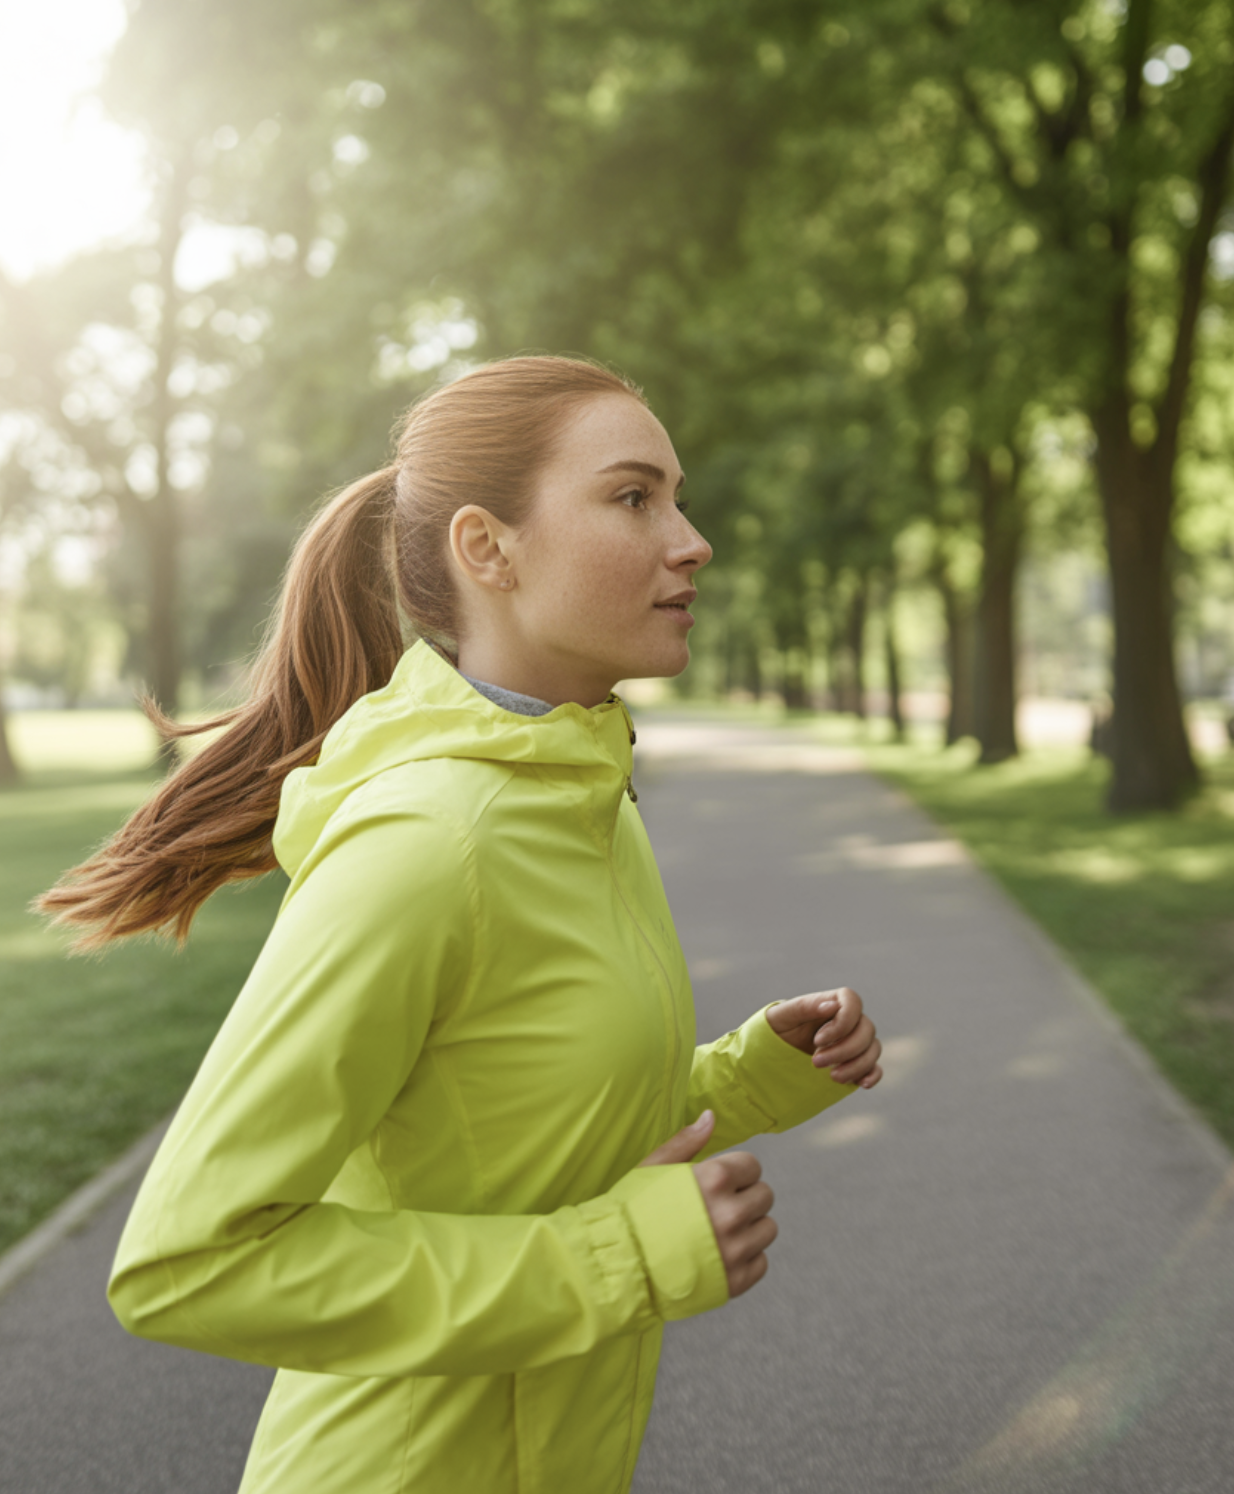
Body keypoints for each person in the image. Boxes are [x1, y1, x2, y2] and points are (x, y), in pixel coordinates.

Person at [38, 355, 883, 1494]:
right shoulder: (432, 843)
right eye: (634, 498)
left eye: (674, 498)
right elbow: (188, 1263)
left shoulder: (578, 792)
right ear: (487, 549)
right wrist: (623, 1257)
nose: (692, 540)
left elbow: (520, 1132)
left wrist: (754, 1077)